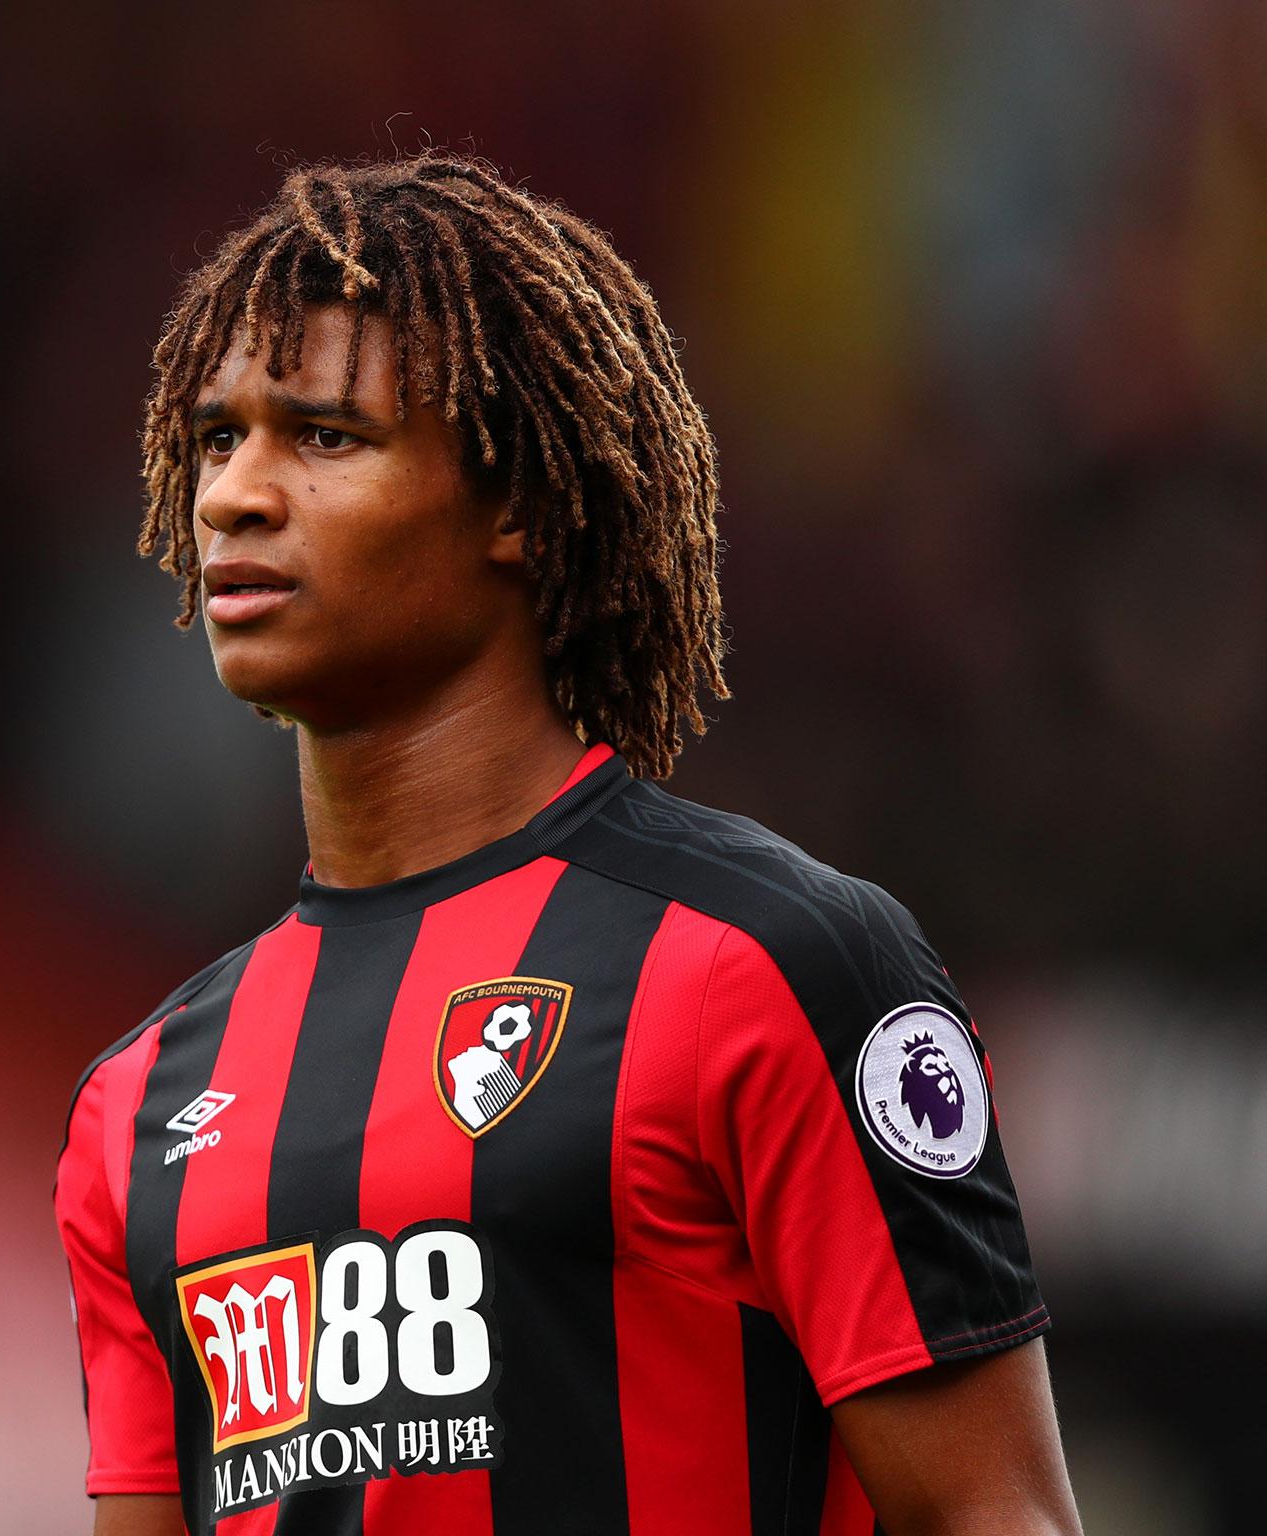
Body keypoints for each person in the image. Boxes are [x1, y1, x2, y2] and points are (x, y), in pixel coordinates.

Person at [54, 154, 1080, 1536]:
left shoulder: (775, 966)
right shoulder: (141, 1108)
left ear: (520, 504)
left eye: (325, 436)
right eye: (218, 437)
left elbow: (994, 1516)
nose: (235, 491)